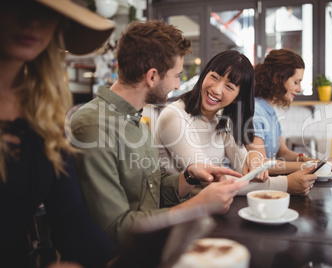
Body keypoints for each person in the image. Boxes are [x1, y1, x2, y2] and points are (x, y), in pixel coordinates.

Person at [70, 20, 248, 251]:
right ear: (152, 76)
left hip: (151, 246)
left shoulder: (137, 121)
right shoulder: (93, 127)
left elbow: (156, 190)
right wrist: (198, 206)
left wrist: (191, 175)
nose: (177, 84)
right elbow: (116, 228)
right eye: (176, 75)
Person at [0, 1, 118, 268]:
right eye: (19, 3)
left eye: (48, 11)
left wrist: (119, 261)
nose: (33, 21)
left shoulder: (43, 110)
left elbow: (70, 216)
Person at [154, 50, 316, 196]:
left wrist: (254, 158)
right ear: (204, 74)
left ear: (238, 97)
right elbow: (213, 182)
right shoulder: (174, 116)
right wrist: (285, 184)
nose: (216, 89)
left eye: (229, 87)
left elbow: (243, 169)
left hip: (210, 209)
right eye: (214, 77)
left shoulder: (221, 118)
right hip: (182, 210)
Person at [247, 49, 332, 177]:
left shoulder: (269, 112)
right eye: (296, 82)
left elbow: (283, 152)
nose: (300, 89)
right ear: (277, 78)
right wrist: (311, 166)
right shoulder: (256, 111)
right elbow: (261, 163)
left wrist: (317, 162)